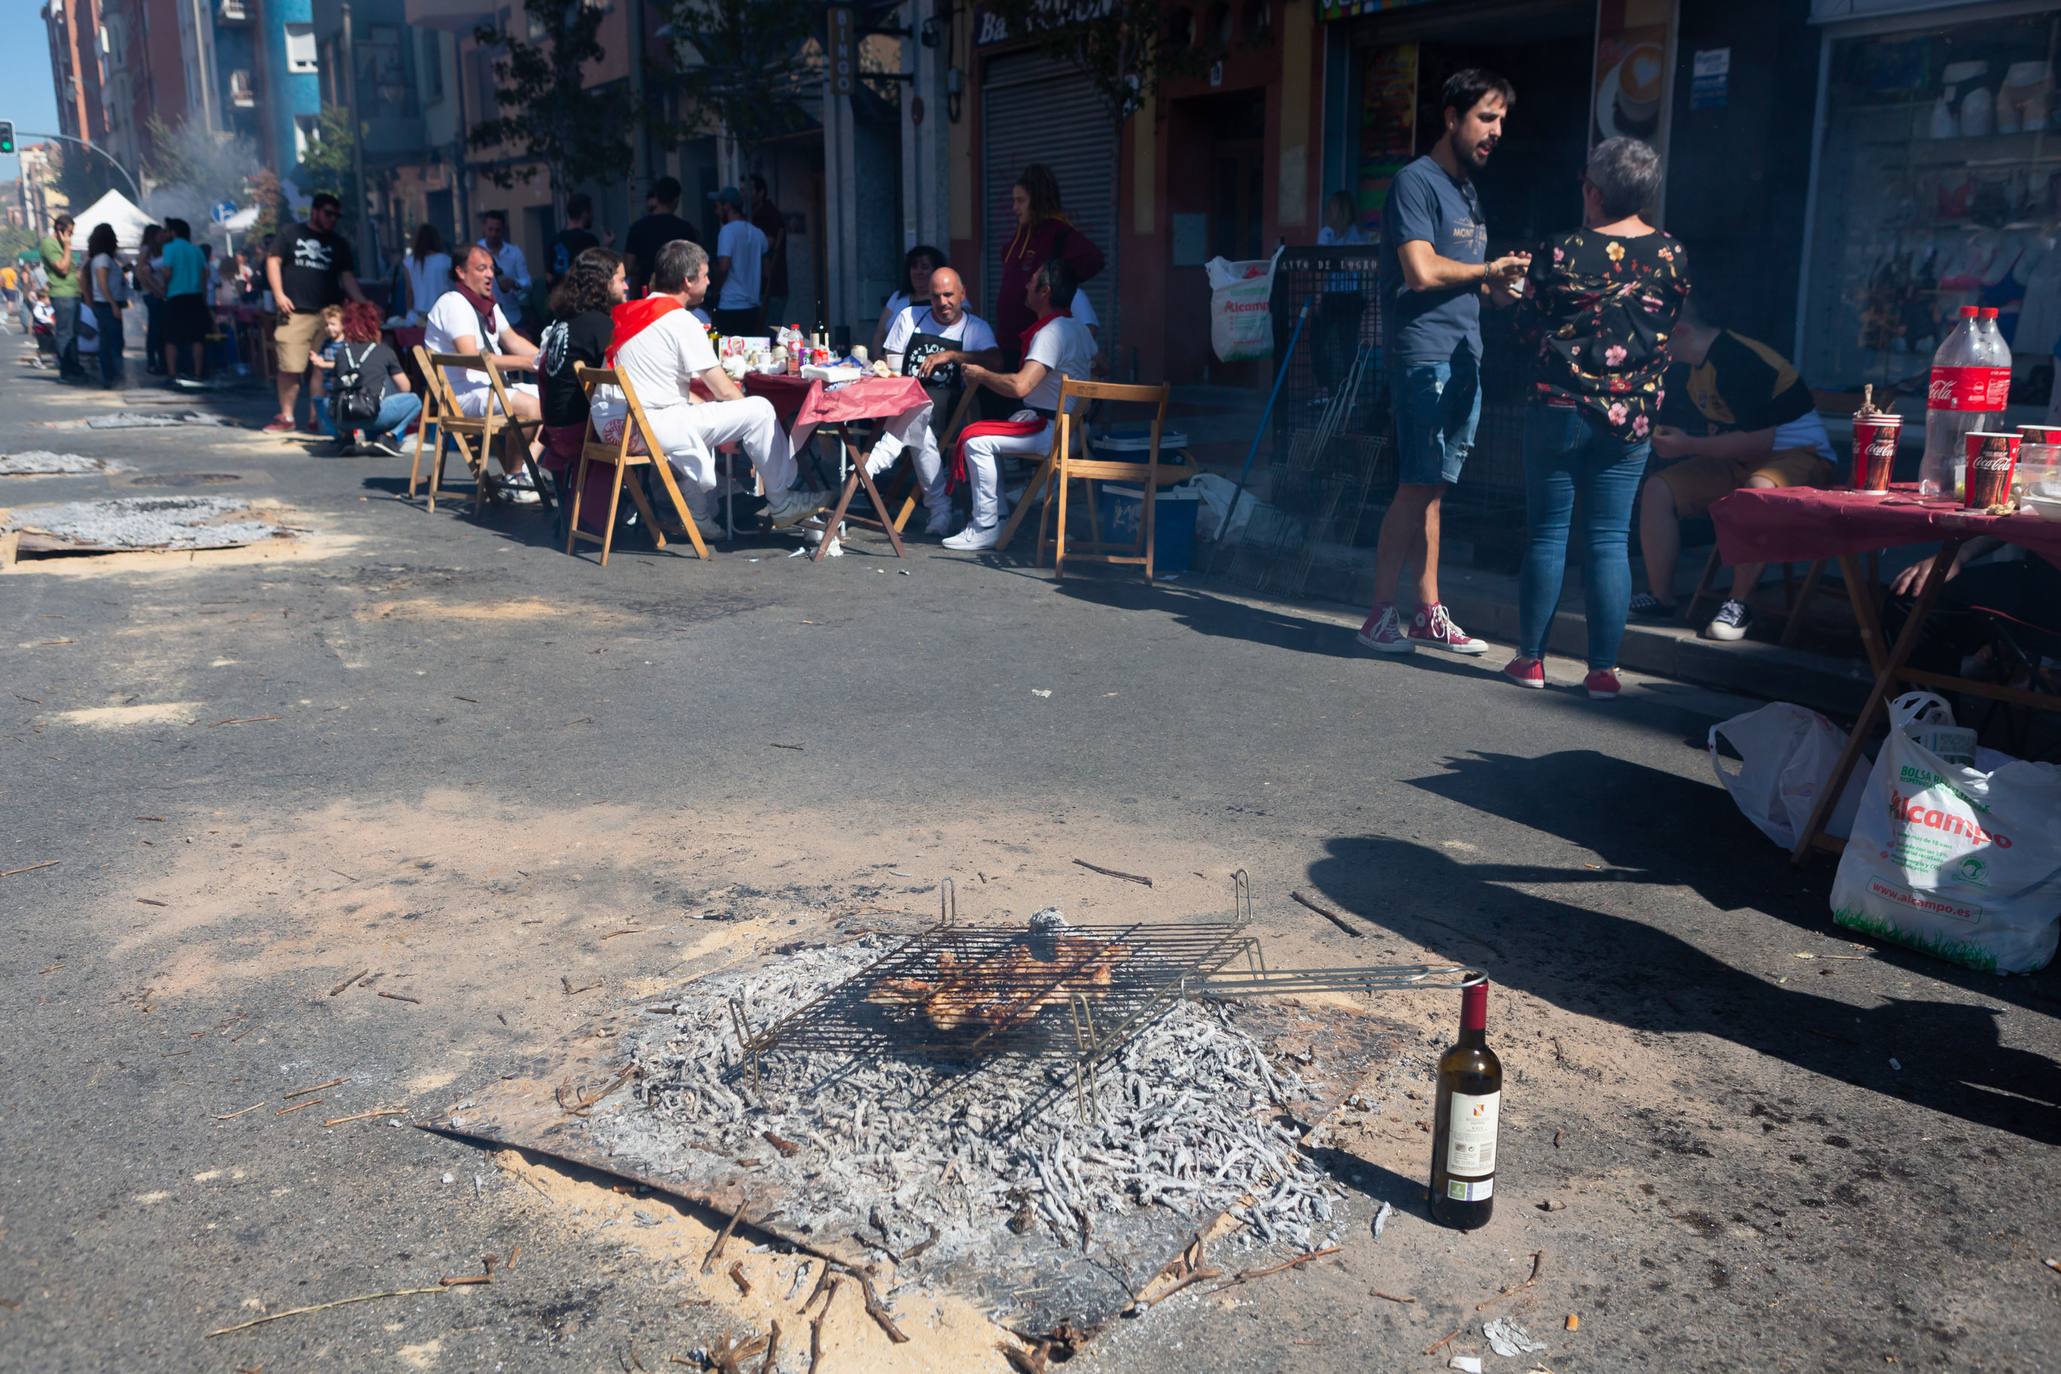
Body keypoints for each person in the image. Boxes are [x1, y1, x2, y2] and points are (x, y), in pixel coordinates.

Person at [1500, 137, 1690, 700]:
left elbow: (1525, 329)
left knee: (1547, 534)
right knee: (1609, 539)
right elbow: (1664, 325)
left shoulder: (1559, 250)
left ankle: (1531, 660)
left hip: (1559, 407)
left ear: (1594, 190)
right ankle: (1603, 671)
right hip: (1630, 416)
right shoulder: (1672, 254)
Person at [1356, 68, 1530, 657]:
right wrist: (1486, 270)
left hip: (1464, 358)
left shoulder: (1468, 193)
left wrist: (1502, 287)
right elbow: (1421, 271)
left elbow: (1466, 282)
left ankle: (1429, 612)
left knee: (1433, 491)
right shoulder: (1415, 183)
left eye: (1502, 119)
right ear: (1452, 118)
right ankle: (1380, 614)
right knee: (1414, 486)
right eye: (1486, 117)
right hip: (1424, 358)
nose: (1496, 130)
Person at [1635, 305, 1840, 642]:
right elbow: (1728, 437)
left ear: (1681, 331)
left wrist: (1688, 445)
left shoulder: (1738, 358)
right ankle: (1662, 597)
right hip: (1743, 460)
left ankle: (1738, 603)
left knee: (1756, 489)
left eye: (1658, 336)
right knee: (1659, 489)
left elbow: (1761, 441)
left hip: (1800, 457)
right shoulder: (1692, 369)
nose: (1652, 345)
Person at [591, 238, 828, 531]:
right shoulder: (679, 320)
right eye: (705, 276)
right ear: (688, 281)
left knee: (699, 411)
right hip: (645, 427)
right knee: (760, 410)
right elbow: (723, 389)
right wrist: (751, 434)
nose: (709, 281)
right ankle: (781, 501)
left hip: (611, 427)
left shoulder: (630, 312)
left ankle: (700, 516)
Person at [946, 257, 1097, 551]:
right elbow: (1098, 365)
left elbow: (1020, 386)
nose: (1026, 284)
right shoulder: (1077, 328)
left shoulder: (1051, 333)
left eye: (1033, 279)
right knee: (986, 433)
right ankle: (998, 516)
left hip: (1053, 431)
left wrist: (982, 374)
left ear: (1046, 291)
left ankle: (987, 525)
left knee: (977, 440)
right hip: (1073, 428)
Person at [862, 265, 1004, 537]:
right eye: (936, 296)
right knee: (920, 428)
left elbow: (996, 361)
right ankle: (940, 509)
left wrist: (952, 356)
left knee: (921, 412)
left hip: (948, 407)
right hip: (903, 401)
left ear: (963, 294)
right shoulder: (909, 317)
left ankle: (871, 464)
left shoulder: (975, 328)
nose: (942, 303)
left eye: (949, 295)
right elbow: (889, 364)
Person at [424, 243, 546, 502]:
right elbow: (474, 359)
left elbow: (512, 339)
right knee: (530, 407)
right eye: (481, 268)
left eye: (492, 268)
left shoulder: (487, 305)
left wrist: (546, 357)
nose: (490, 274)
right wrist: (526, 363)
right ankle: (516, 477)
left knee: (554, 401)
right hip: (463, 395)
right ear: (460, 272)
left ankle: (524, 471)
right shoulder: (454, 304)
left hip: (490, 389)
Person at [266, 192, 367, 433]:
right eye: (328, 213)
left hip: (329, 314)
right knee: (290, 365)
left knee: (321, 367)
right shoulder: (291, 233)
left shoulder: (338, 244)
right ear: (315, 211)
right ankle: (287, 416)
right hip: (296, 311)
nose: (332, 219)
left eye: (336, 215)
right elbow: (273, 261)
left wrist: (363, 302)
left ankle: (316, 417)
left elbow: (347, 277)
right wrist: (279, 294)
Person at [993, 165, 1103, 366]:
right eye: (1013, 200)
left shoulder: (1057, 233)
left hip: (1035, 347)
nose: (1014, 208)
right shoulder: (1019, 238)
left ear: (1036, 201)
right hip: (1008, 344)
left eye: (1020, 201)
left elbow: (1093, 259)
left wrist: (1059, 286)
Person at [537, 245, 626, 472]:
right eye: (621, 280)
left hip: (555, 428)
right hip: (580, 431)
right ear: (604, 283)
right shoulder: (601, 326)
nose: (626, 286)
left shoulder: (566, 320)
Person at [313, 300, 420, 457]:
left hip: (344, 416)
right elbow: (405, 387)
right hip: (374, 414)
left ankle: (346, 437)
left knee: (325, 401)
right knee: (415, 400)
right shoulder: (384, 351)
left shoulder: (341, 352)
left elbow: (336, 384)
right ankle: (389, 437)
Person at [1315, 190, 1373, 400]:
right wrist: (1319, 295)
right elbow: (1321, 265)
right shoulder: (1326, 233)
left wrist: (1367, 296)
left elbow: (1363, 265)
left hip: (1350, 296)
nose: (1331, 212)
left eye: (1334, 208)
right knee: (1318, 341)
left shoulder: (1357, 234)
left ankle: (1350, 394)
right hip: (1331, 295)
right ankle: (1325, 388)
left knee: (1348, 345)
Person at [708, 186, 769, 337]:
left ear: (727, 206)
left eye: (717, 206)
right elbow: (766, 271)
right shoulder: (758, 233)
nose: (716, 212)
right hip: (753, 306)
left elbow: (724, 267)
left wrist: (714, 289)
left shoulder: (727, 231)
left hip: (730, 304)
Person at [624, 177, 698, 298]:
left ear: (656, 197)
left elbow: (628, 266)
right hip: (677, 292)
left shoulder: (638, 228)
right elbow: (693, 263)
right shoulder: (686, 229)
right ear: (676, 200)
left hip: (645, 292)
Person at [869, 244, 945, 359]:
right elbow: (880, 334)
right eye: (914, 266)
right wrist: (878, 360)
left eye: (924, 267)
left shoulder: (945, 301)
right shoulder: (897, 297)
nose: (918, 272)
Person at [158, 218, 209, 385]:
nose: (165, 234)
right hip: (196, 297)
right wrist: (204, 298)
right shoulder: (197, 251)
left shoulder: (169, 248)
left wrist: (164, 288)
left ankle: (173, 373)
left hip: (176, 296)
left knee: (171, 337)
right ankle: (198, 373)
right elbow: (204, 276)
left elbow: (167, 272)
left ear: (173, 232)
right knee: (197, 338)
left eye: (167, 231)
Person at [83, 222, 127, 390]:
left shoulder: (101, 258)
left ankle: (111, 377)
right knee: (113, 343)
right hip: (107, 305)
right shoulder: (103, 259)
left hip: (105, 304)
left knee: (107, 342)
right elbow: (102, 283)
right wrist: (113, 304)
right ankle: (115, 377)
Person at [42, 213, 86, 382]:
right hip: (62, 294)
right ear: (60, 231)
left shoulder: (62, 243)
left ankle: (74, 366)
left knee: (73, 334)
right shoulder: (49, 244)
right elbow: (62, 268)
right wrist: (67, 246)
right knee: (65, 334)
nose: (71, 237)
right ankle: (66, 370)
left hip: (73, 294)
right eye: (69, 233)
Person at [478, 211, 533, 334]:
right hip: (484, 318)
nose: (493, 234)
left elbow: (527, 282)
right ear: (484, 228)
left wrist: (514, 283)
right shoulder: (475, 252)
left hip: (512, 317)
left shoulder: (514, 252)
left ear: (503, 230)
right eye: (490, 229)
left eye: (497, 230)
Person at [750, 175, 789, 324]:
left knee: (770, 331)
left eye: (749, 189)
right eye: (741, 190)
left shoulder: (768, 215)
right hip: (759, 287)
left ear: (760, 192)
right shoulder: (753, 215)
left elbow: (768, 245)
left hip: (772, 286)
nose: (744, 194)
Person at [401, 224, 452, 324]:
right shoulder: (446, 261)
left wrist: (409, 313)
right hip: (442, 314)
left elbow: (409, 292)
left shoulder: (409, 262)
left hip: (418, 316)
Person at [548, 194, 600, 289]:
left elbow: (549, 277)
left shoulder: (554, 240)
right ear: (584, 213)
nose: (592, 216)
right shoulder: (589, 240)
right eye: (591, 212)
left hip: (559, 299)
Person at [137, 224, 167, 376]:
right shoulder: (146, 249)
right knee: (155, 328)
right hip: (152, 293)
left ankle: (161, 361)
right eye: (160, 233)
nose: (163, 236)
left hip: (158, 293)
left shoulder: (158, 250)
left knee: (160, 328)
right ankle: (152, 362)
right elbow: (141, 273)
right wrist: (156, 290)